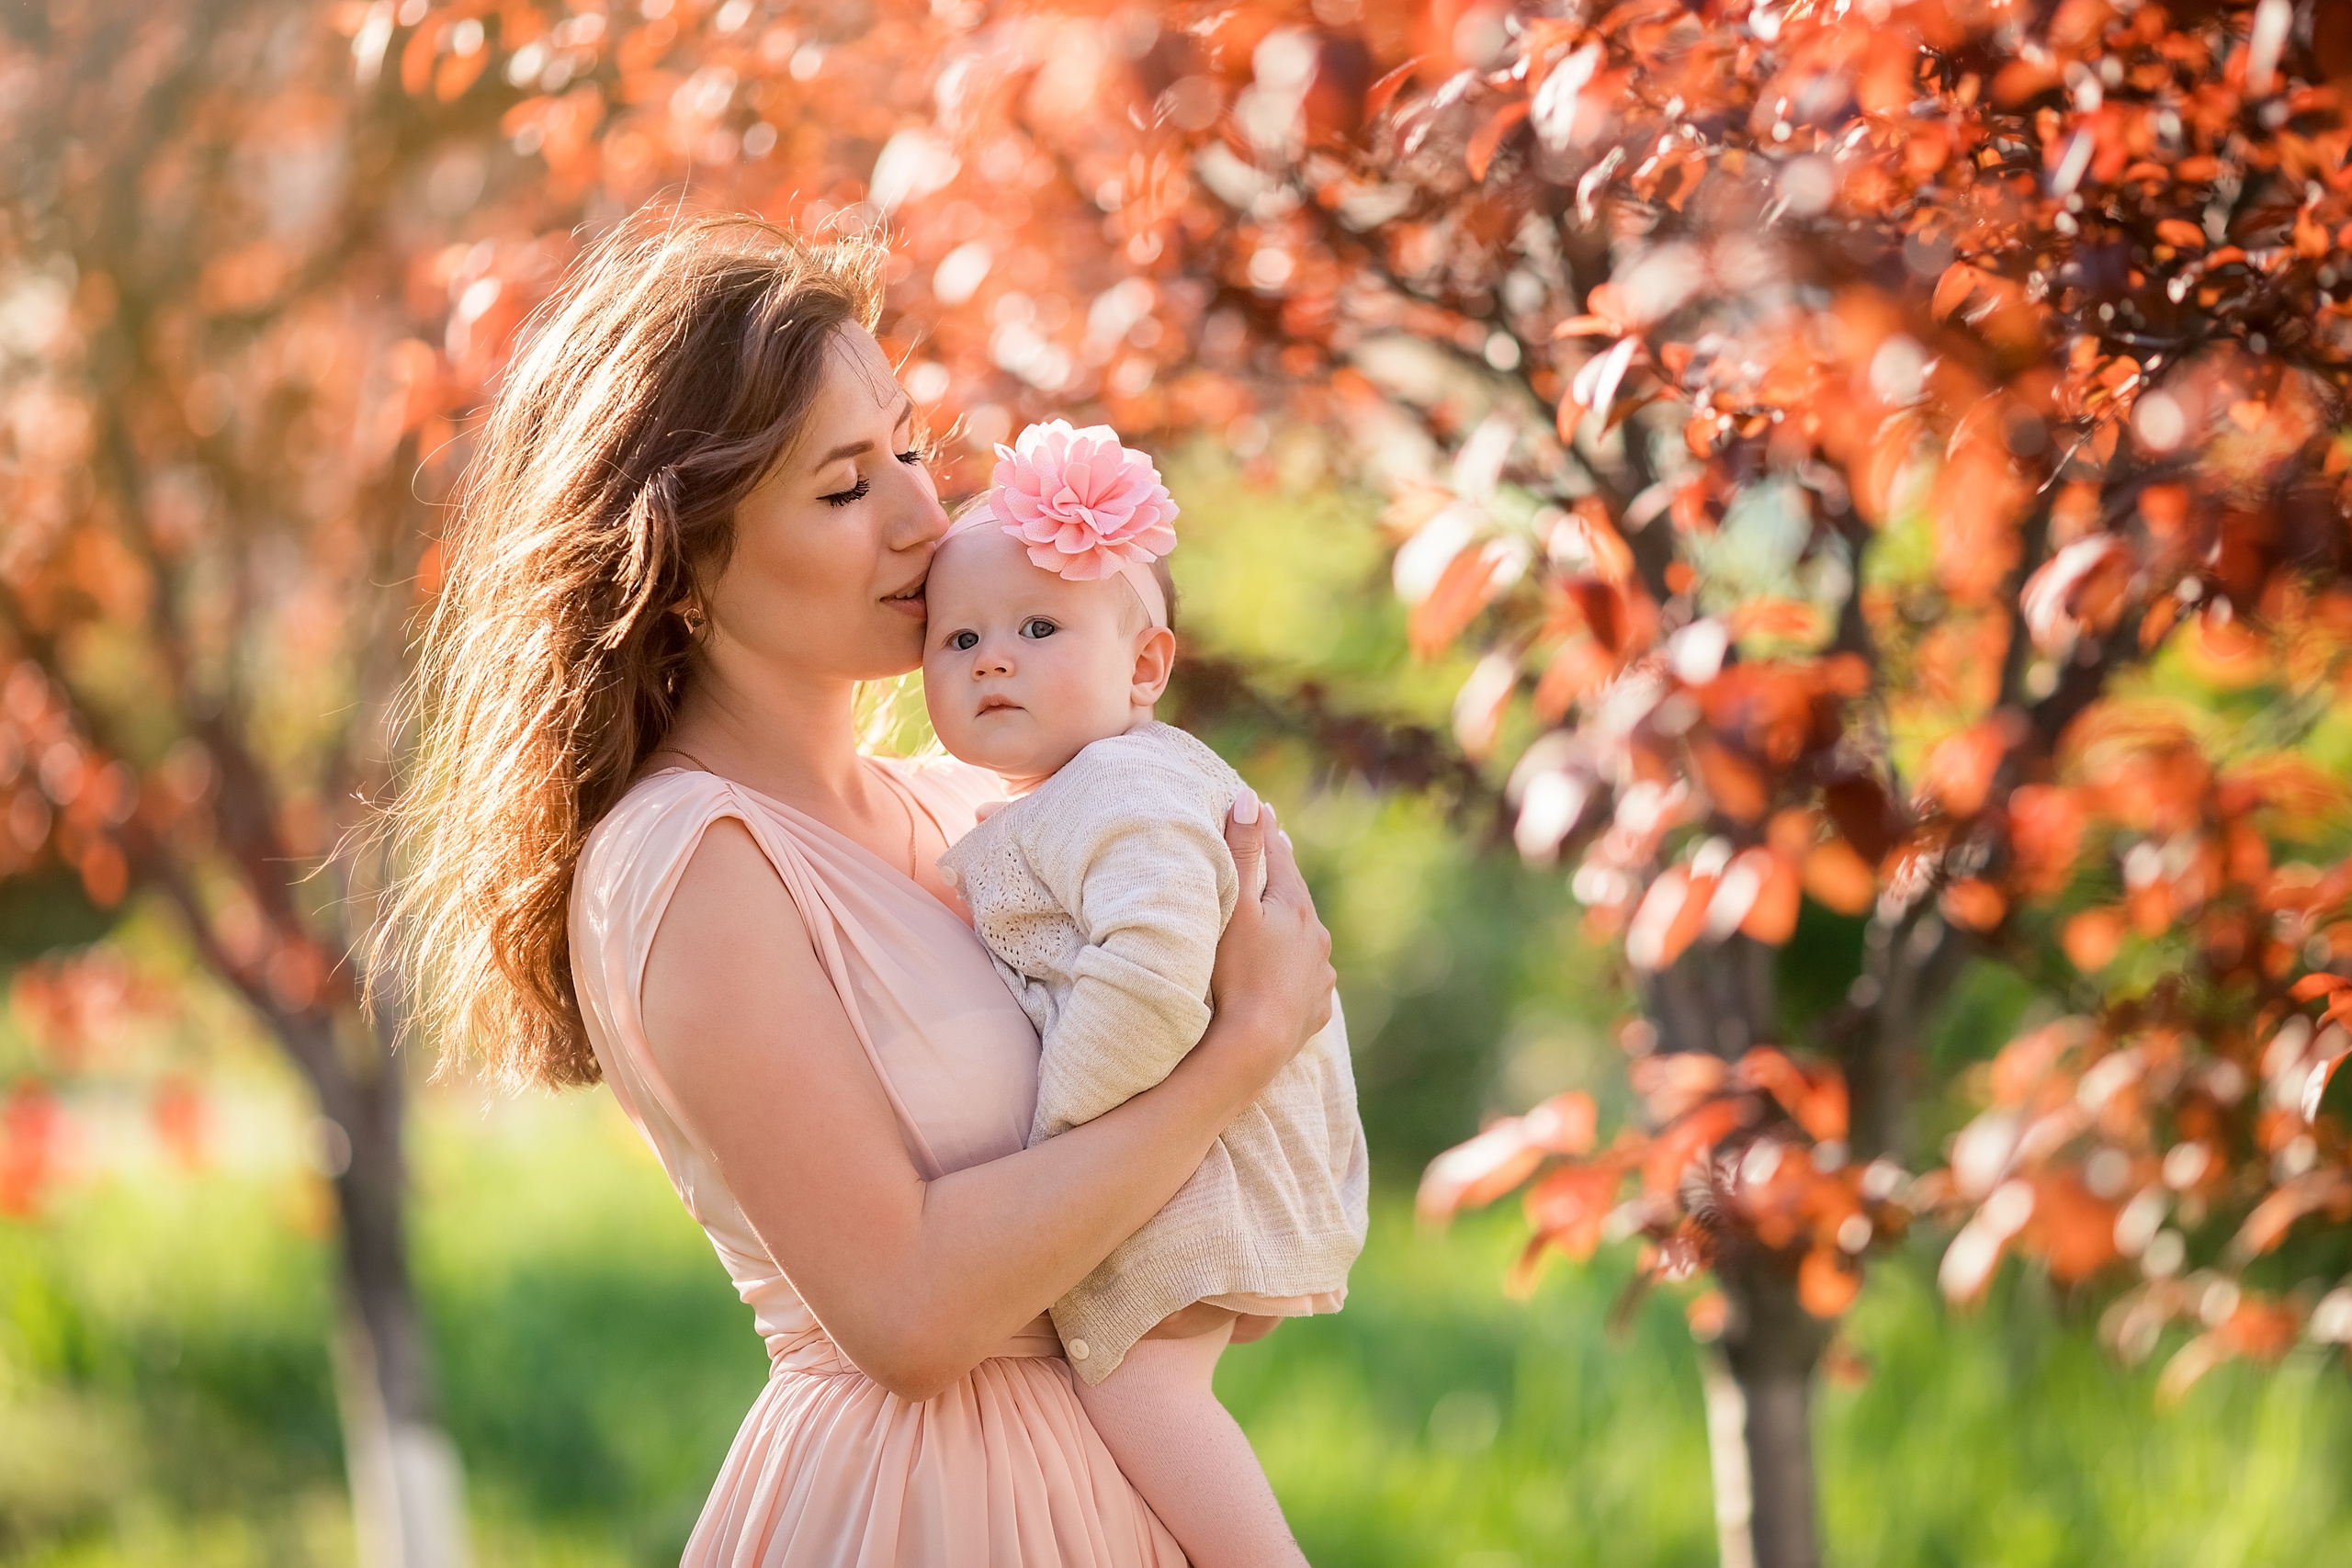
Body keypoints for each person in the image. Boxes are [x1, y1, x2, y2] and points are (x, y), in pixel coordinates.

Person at [381, 213, 1338, 1566]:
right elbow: (907, 1311)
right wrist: (1237, 1053)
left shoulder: (972, 805)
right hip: (922, 1507)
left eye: (908, 448)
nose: (921, 517)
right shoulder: (693, 858)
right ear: (683, 565)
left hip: (1118, 1490)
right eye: (844, 489)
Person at [920, 421, 1367, 1567]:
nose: (992, 659)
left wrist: (1050, 1148)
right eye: (957, 636)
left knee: (1141, 1393)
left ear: (1144, 667)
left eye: (1036, 627)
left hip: (1188, 1178)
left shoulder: (1126, 788)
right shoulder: (1079, 789)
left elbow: (1154, 978)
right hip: (1195, 1166)